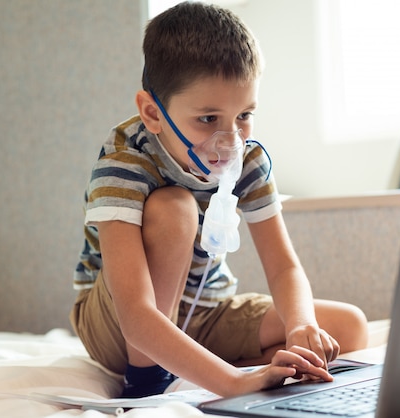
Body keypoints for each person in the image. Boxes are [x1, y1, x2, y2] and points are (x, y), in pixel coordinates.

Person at [70, 1, 369, 398]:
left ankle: (193, 363)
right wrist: (233, 383)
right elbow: (135, 313)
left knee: (348, 327)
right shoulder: (124, 164)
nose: (230, 142)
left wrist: (300, 327)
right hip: (121, 326)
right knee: (174, 207)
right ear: (152, 112)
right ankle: (147, 380)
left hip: (205, 311)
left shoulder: (249, 160)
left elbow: (283, 268)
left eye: (244, 115)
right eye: (208, 119)